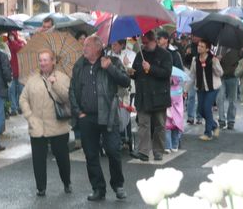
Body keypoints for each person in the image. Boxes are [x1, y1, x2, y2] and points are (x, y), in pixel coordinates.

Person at [69, 35, 131, 201]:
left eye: (87, 45)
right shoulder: (79, 65)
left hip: (108, 115)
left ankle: (118, 185)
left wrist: (110, 68)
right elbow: (72, 90)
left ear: (97, 48)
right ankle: (98, 188)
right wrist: (78, 112)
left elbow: (126, 82)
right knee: (90, 155)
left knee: (113, 151)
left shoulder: (111, 61)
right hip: (87, 117)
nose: (84, 48)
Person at [20, 49, 72, 197]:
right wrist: (29, 116)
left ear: (53, 61)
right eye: (40, 60)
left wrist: (55, 84)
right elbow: (23, 99)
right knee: (38, 159)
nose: (42, 63)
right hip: (37, 126)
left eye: (45, 60)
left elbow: (67, 98)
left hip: (58, 126)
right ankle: (40, 187)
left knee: (62, 158)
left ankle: (67, 182)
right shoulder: (32, 79)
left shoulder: (62, 77)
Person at [129, 31, 172, 162]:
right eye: (143, 42)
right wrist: (131, 72)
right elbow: (136, 72)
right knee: (143, 124)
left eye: (146, 42)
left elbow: (166, 72)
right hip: (143, 95)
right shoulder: (139, 55)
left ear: (153, 40)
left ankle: (158, 151)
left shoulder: (165, 55)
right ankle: (143, 151)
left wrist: (151, 68)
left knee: (159, 125)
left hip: (159, 95)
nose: (144, 45)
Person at [185, 39, 223, 141]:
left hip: (213, 88)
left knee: (206, 108)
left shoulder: (213, 59)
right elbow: (192, 76)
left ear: (207, 49)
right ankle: (214, 126)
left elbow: (220, 73)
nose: (199, 48)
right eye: (199, 46)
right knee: (201, 111)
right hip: (201, 88)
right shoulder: (195, 59)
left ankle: (208, 133)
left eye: (202, 46)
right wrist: (185, 90)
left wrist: (215, 63)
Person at [216, 47, 243, 129]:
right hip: (221, 76)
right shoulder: (220, 47)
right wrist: (217, 59)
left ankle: (231, 121)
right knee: (219, 98)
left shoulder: (238, 47)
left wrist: (237, 68)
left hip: (233, 77)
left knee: (232, 100)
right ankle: (221, 120)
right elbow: (215, 60)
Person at [184, 35, 202, 125]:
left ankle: (199, 117)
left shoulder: (203, 45)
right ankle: (190, 117)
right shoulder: (189, 46)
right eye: (193, 36)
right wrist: (187, 54)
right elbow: (186, 61)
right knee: (191, 96)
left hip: (202, 74)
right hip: (192, 73)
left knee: (200, 97)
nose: (194, 38)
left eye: (196, 36)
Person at [7, 31, 25, 116]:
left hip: (20, 71)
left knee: (21, 91)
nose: (11, 37)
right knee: (11, 91)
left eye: (12, 35)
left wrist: (13, 41)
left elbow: (19, 50)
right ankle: (14, 108)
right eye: (9, 35)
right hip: (11, 72)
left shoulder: (20, 43)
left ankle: (20, 107)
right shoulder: (7, 45)